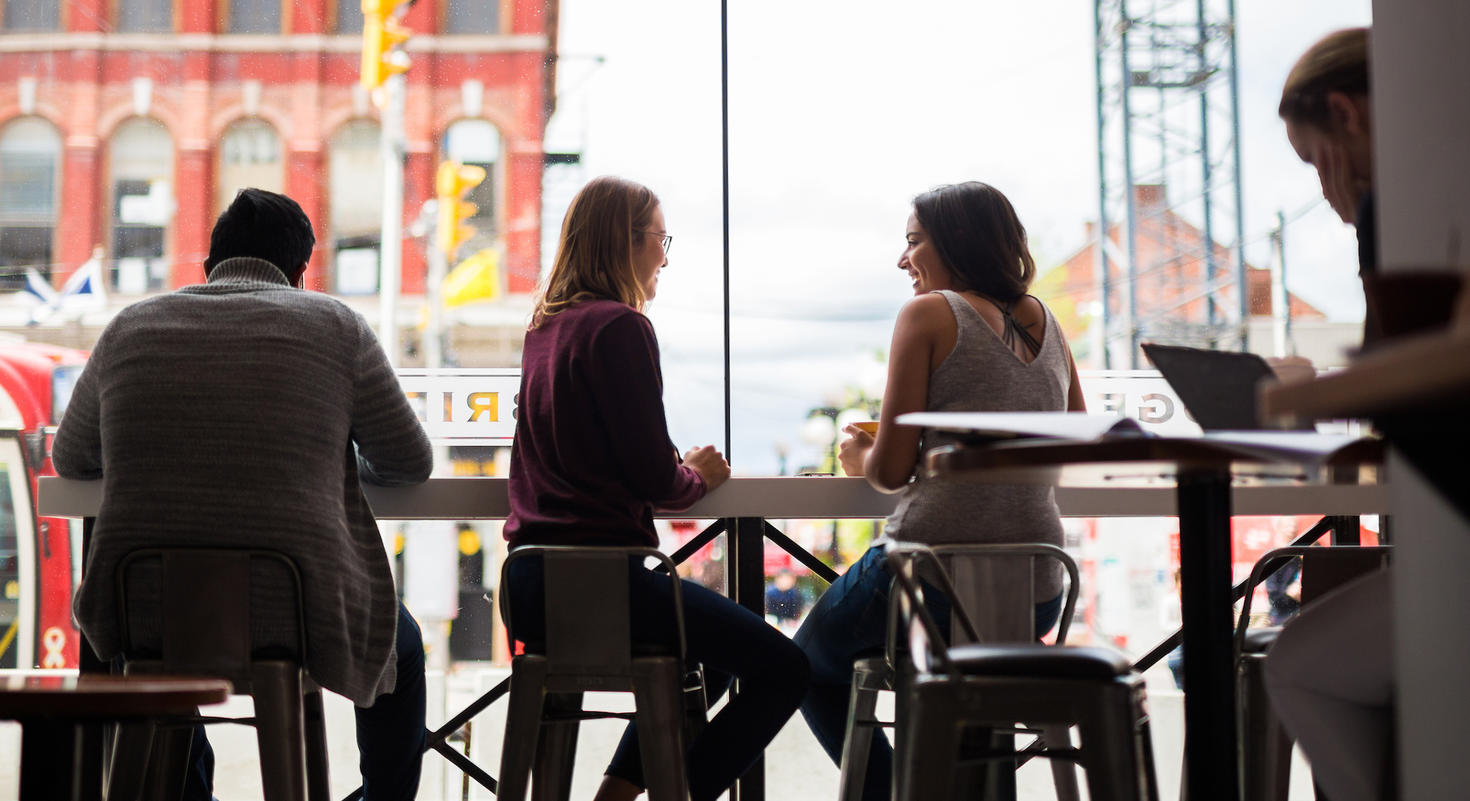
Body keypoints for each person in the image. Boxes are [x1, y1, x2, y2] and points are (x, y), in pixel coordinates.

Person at [52, 188, 434, 801]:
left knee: (154, 674)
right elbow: (410, 462)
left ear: (209, 264)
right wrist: (325, 445)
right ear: (301, 273)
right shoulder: (337, 327)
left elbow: (71, 458)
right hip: (295, 615)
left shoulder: (129, 328)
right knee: (404, 649)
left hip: (144, 613)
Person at [501, 175, 809, 801]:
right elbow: (652, 478)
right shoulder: (621, 327)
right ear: (626, 241)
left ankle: (617, 792)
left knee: (717, 653)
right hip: (609, 588)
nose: (665, 256)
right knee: (787, 669)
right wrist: (699, 474)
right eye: (660, 239)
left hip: (531, 588)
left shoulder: (545, 329)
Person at [793, 181, 1086, 801]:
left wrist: (858, 454)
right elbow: (1074, 437)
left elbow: (891, 472)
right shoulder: (1050, 324)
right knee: (974, 701)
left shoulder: (928, 314)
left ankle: (898, 790)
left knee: (805, 666)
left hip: (928, 577)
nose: (903, 261)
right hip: (1035, 588)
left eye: (913, 242)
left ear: (956, 242)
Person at [1265, 28, 1397, 801]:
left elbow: (1398, 377)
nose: (1323, 188)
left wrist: (1307, 391)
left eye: (1315, 161)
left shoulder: (1395, 215)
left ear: (1345, 114)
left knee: (1303, 665)